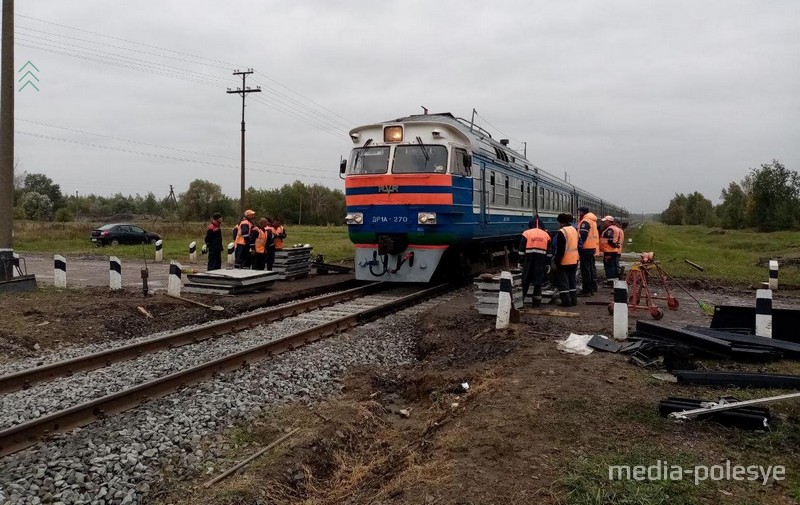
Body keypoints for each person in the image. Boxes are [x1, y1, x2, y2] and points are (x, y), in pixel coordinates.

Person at [519, 215, 551, 307]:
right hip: (541, 261)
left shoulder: (526, 233)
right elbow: (549, 252)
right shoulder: (546, 235)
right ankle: (536, 303)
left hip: (528, 260)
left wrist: (520, 262)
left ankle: (521, 302)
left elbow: (521, 250)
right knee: (538, 282)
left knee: (526, 281)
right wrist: (548, 263)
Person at [554, 213, 579, 306]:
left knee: (563, 282)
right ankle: (573, 300)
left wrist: (556, 262)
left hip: (565, 261)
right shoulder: (574, 230)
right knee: (572, 281)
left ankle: (566, 301)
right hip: (574, 260)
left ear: (561, 222)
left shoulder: (562, 232)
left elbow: (560, 250)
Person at [577, 206, 599, 295]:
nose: (579, 214)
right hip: (592, 248)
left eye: (580, 212)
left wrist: (578, 245)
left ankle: (587, 290)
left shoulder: (585, 221)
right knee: (590, 268)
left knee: (585, 270)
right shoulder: (593, 221)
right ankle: (593, 287)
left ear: (583, 212)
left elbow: (583, 235)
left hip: (585, 249)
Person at [599, 215, 622, 283]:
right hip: (613, 251)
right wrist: (615, 245)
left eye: (605, 221)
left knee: (609, 265)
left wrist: (614, 245)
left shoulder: (610, 229)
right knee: (614, 265)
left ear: (609, 221)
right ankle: (615, 279)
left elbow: (610, 239)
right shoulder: (616, 228)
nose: (603, 223)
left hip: (609, 251)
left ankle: (610, 281)